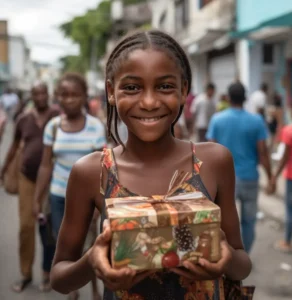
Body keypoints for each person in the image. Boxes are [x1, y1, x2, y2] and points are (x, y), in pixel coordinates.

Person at [49, 30, 252, 300]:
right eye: (132, 87)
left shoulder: (214, 161)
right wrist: (93, 262)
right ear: (111, 91)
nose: (148, 102)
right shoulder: (92, 172)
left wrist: (226, 260)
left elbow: (242, 264)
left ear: (184, 91)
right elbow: (60, 279)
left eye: (165, 86)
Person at [33, 73, 106, 300]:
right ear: (58, 97)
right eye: (64, 95)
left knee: (92, 246)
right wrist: (37, 198)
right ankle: (72, 291)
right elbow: (46, 166)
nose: (70, 100)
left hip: (87, 199)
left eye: (75, 95)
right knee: (63, 244)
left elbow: (103, 168)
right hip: (57, 196)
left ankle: (95, 290)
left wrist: (98, 205)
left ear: (84, 97)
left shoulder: (95, 127)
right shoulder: (53, 127)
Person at [0, 82, 59, 292]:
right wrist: (4, 169)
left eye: (44, 92)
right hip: (26, 178)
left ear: (48, 93)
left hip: (52, 181)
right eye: (36, 93)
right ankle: (25, 274)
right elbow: (15, 146)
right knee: (26, 228)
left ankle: (47, 273)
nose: (40, 96)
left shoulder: (58, 116)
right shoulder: (24, 119)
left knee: (48, 230)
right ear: (32, 96)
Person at [206, 82, 273, 253]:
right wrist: (271, 177)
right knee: (249, 221)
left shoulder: (217, 119)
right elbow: (263, 152)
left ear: (228, 98)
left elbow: (210, 151)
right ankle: (245, 256)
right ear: (245, 98)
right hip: (250, 177)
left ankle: (227, 255)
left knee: (223, 221)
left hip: (224, 181)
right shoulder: (256, 121)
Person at [271, 98, 292, 253]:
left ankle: (287, 242)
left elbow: (284, 157)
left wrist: (275, 175)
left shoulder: (289, 131)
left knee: (290, 209)